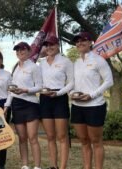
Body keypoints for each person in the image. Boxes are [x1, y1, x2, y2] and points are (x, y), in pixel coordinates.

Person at [70, 32, 113, 169]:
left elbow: (109, 81)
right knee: (83, 140)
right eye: (77, 41)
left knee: (96, 141)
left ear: (90, 43)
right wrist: (71, 93)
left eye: (83, 40)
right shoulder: (76, 62)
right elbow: (73, 83)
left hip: (94, 105)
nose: (80, 43)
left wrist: (92, 95)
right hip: (77, 105)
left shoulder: (98, 60)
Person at [5, 42, 42, 169]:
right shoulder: (15, 68)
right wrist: (7, 105)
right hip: (17, 105)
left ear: (29, 51)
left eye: (23, 50)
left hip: (31, 104)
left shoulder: (34, 67)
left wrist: (25, 90)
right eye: (18, 50)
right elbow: (11, 89)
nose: (20, 52)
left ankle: (37, 166)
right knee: (22, 138)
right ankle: (25, 165)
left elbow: (39, 86)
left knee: (32, 137)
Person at [39, 36, 74, 169]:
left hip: (59, 98)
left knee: (62, 136)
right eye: (47, 45)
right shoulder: (41, 62)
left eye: (52, 45)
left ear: (57, 45)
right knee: (50, 136)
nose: (49, 48)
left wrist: (58, 93)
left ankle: (63, 166)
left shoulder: (66, 61)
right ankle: (53, 166)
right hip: (45, 99)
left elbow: (71, 82)